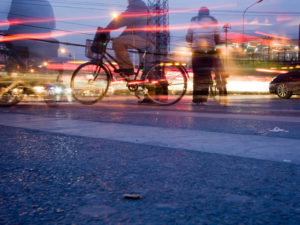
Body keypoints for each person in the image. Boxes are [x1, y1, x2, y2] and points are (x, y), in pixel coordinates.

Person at [105, 0, 154, 76]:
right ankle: (146, 79)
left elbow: (123, 19)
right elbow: (128, 31)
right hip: (144, 37)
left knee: (118, 42)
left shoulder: (137, 5)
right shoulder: (138, 5)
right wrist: (118, 37)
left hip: (144, 38)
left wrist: (107, 28)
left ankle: (127, 68)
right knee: (146, 69)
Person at [186, 7, 220, 105]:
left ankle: (197, 99)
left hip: (196, 52)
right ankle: (204, 98)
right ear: (208, 13)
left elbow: (188, 37)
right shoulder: (214, 21)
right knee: (206, 73)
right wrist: (213, 44)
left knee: (197, 75)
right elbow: (217, 37)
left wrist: (191, 44)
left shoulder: (193, 20)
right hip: (209, 52)